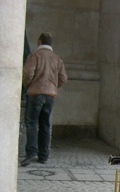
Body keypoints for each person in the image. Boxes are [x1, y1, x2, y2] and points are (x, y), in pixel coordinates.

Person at [21, 32, 68, 166]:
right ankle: (43, 156)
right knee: (45, 125)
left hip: (35, 93)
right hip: (50, 95)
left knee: (31, 123)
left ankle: (31, 153)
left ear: (39, 42)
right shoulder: (57, 59)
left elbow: (28, 73)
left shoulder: (34, 55)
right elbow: (64, 78)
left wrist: (29, 85)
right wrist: (53, 86)